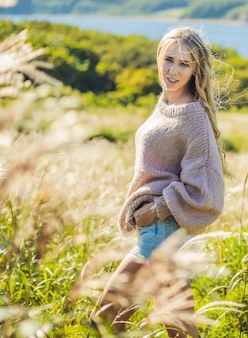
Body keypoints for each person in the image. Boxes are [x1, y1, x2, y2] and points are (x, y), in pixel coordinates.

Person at [90, 26, 227, 337]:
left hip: (161, 236)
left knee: (105, 320)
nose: (173, 70)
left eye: (184, 64)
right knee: (180, 331)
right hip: (155, 234)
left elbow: (206, 192)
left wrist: (159, 207)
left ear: (196, 70)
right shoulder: (167, 103)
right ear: (158, 59)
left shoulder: (193, 117)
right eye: (169, 59)